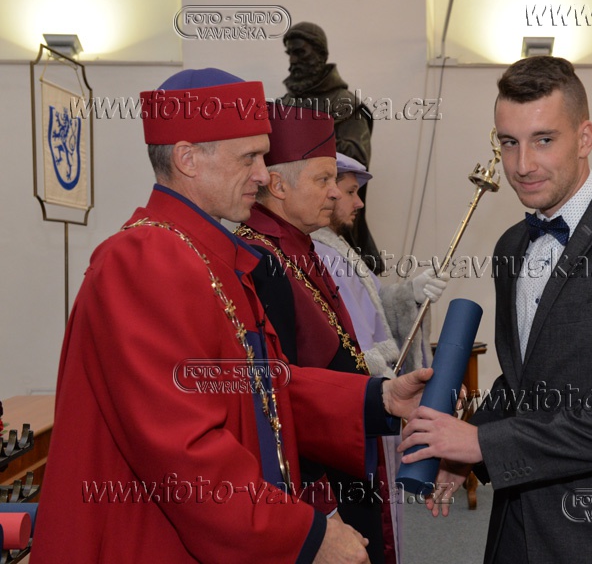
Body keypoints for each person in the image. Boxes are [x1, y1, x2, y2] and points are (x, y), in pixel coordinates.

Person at [30, 68, 432, 564]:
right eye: (250, 158)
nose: (264, 175)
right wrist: (306, 535)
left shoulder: (209, 254)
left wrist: (378, 398)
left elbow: (261, 389)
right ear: (187, 159)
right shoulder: (142, 261)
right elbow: (184, 452)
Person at [397, 56, 592, 563]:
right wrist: (464, 450)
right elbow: (522, 380)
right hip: (517, 526)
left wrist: (484, 445)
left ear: (584, 138)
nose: (522, 164)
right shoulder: (511, 245)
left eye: (544, 140)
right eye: (509, 142)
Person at [236, 104, 447, 564]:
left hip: (345, 442)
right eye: (324, 180)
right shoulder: (262, 260)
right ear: (278, 185)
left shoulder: (302, 247)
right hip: (317, 472)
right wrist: (320, 506)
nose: (335, 193)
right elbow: (277, 399)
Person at [311, 153, 449, 561]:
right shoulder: (313, 252)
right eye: (350, 191)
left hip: (375, 396)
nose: (358, 202)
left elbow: (374, 312)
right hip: (358, 402)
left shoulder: (336, 247)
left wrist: (410, 294)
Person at [282, 21, 383, 275]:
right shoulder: (284, 104)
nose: (293, 61)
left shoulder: (344, 104)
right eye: (290, 53)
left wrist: (305, 145)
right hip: (289, 222)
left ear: (320, 54)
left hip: (332, 220)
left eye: (300, 52)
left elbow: (355, 159)